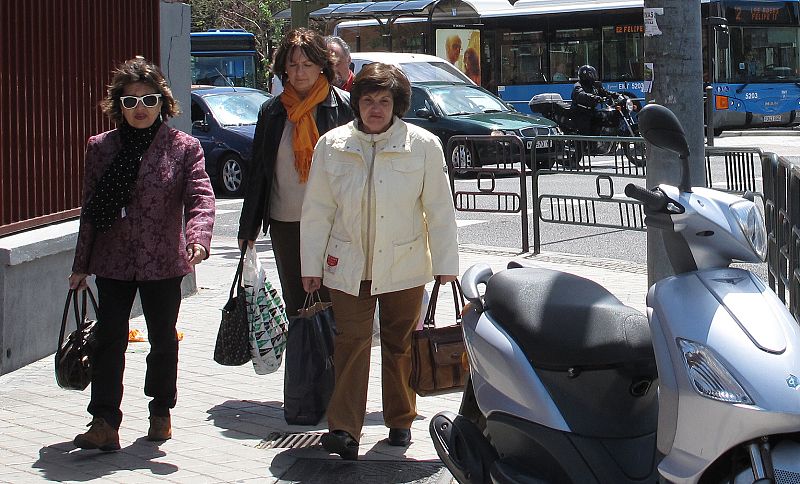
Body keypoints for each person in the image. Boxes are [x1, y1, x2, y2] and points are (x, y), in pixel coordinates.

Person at [300, 62, 459, 460]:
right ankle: (344, 429)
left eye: (383, 101)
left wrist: (446, 264)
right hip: (347, 264)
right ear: (356, 103)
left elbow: (439, 209)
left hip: (404, 263)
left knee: (400, 343)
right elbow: (317, 209)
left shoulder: (422, 144)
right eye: (368, 100)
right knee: (350, 344)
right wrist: (310, 266)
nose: (375, 109)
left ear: (396, 104)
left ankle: (400, 419)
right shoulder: (332, 144)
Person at [68, 57, 215, 451]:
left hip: (164, 260)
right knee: (109, 338)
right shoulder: (101, 148)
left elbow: (200, 197)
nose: (140, 109)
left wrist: (198, 237)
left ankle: (160, 410)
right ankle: (104, 421)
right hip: (113, 260)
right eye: (130, 102)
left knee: (162, 339)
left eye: (148, 100)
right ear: (118, 106)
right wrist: (80, 266)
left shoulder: (183, 148)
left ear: (162, 103)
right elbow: (91, 209)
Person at [238, 28, 354, 318]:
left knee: (334, 304)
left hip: (334, 222)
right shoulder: (272, 111)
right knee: (298, 306)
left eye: (307, 65)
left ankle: (333, 362)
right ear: (283, 69)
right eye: (293, 65)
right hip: (286, 221)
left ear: (321, 66)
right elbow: (259, 172)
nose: (300, 73)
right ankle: (305, 361)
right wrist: (247, 228)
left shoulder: (342, 106)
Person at [571, 64, 612, 134]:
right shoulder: (578, 85)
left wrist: (615, 95)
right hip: (581, 112)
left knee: (604, 117)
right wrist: (594, 97)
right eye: (592, 74)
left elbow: (604, 92)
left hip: (591, 111)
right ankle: (588, 143)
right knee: (587, 129)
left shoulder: (594, 85)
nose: (594, 76)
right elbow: (580, 94)